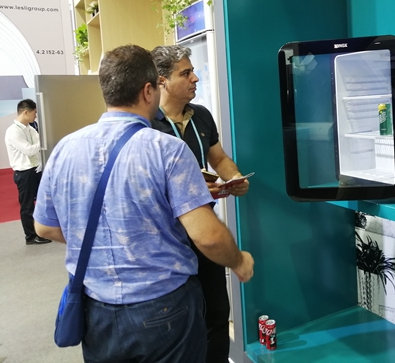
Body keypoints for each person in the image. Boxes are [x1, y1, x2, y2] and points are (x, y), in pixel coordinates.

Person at [33, 45, 254, 363]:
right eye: (186, 73)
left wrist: (111, 239)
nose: (194, 78)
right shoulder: (166, 149)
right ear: (149, 90)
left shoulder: (65, 148)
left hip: (96, 310)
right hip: (164, 308)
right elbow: (208, 236)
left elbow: (44, 227)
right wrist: (239, 261)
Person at [150, 44, 249, 363]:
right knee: (177, 321)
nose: (195, 78)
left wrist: (234, 177)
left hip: (205, 232)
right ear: (162, 80)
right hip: (166, 240)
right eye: (186, 73)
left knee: (217, 312)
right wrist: (187, 189)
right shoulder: (147, 124)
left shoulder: (201, 116)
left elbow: (218, 158)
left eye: (193, 71)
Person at [4, 98, 50, 245]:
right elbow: (29, 150)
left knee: (42, 202)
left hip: (36, 169)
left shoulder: (30, 129)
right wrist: (43, 141)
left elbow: (37, 147)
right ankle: (31, 236)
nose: (35, 116)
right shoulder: (12, 132)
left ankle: (41, 231)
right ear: (25, 112)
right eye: (34, 113)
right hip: (24, 173)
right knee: (27, 205)